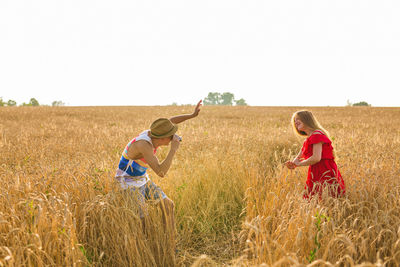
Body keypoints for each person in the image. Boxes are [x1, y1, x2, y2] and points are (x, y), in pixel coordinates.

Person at [114, 100, 202, 250]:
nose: (174, 137)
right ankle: (148, 249)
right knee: (143, 221)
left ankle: (170, 244)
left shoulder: (156, 131)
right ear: (162, 138)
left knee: (168, 205)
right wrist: (173, 149)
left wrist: (192, 115)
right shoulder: (144, 145)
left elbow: (171, 120)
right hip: (128, 182)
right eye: (171, 136)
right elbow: (161, 172)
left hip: (142, 179)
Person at [285, 110, 345, 199]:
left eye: (298, 119)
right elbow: (298, 157)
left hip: (325, 171)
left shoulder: (316, 135)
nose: (295, 122)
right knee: (316, 199)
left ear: (307, 119)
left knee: (325, 198)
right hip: (316, 171)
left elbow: (316, 158)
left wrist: (299, 164)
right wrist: (292, 164)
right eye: (294, 120)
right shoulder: (308, 138)